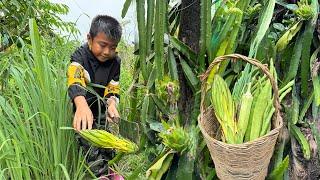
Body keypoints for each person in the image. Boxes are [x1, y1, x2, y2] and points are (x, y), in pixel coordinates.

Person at [67, 15, 122, 179]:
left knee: (107, 145)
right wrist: (81, 105)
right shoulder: (80, 56)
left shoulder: (115, 62)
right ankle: (99, 175)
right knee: (90, 147)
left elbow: (113, 88)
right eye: (102, 45)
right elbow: (74, 79)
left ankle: (111, 170)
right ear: (90, 39)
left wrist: (112, 104)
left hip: (101, 110)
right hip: (82, 110)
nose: (107, 52)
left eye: (112, 47)